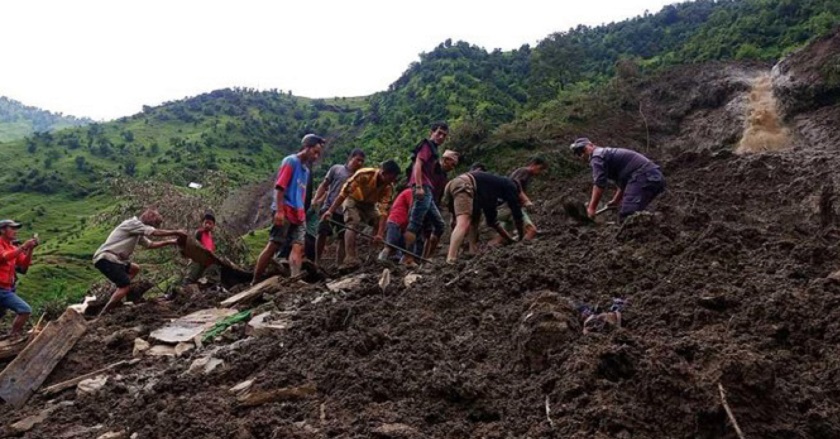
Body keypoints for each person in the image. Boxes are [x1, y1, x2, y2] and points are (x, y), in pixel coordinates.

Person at [253, 134, 324, 283]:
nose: (316, 156)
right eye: (315, 152)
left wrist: (303, 213)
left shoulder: (306, 171)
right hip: (285, 210)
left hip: (299, 214)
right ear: (306, 147)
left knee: (298, 246)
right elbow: (279, 188)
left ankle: (295, 279)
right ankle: (255, 279)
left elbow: (302, 195)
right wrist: (279, 211)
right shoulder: (290, 161)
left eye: (318, 153)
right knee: (274, 245)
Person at [94, 209, 186, 315]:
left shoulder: (137, 231)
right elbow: (154, 233)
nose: (155, 226)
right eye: (155, 223)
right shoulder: (133, 223)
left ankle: (119, 293)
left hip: (115, 260)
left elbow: (150, 244)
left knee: (135, 268)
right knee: (125, 286)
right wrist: (176, 232)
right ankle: (105, 311)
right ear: (149, 216)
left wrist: (171, 241)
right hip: (107, 257)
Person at [322, 160, 399, 268]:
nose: (393, 181)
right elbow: (344, 193)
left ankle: (372, 256)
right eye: (391, 178)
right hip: (353, 199)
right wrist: (330, 211)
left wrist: (380, 234)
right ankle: (350, 258)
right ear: (384, 173)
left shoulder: (388, 187)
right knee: (353, 222)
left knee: (378, 222)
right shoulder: (364, 174)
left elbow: (384, 211)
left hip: (369, 205)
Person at [570, 138, 666, 221]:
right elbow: (624, 183)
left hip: (645, 176)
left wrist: (591, 209)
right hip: (652, 177)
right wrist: (615, 200)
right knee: (635, 214)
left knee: (628, 214)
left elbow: (599, 184)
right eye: (579, 154)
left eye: (583, 149)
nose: (582, 154)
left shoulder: (596, 156)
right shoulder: (606, 155)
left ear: (591, 145)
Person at [443, 171, 525, 264]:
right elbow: (517, 213)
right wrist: (521, 237)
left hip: (454, 184)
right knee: (463, 222)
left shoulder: (493, 186)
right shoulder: (510, 186)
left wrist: (510, 240)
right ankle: (451, 259)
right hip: (464, 186)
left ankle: (472, 250)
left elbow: (492, 221)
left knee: (474, 219)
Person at [402, 122, 449, 267]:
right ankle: (408, 259)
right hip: (422, 187)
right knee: (415, 223)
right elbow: (418, 164)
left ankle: (426, 259)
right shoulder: (427, 145)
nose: (441, 137)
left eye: (444, 135)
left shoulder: (434, 150)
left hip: (428, 189)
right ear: (432, 132)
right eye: (439, 133)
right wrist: (419, 186)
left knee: (440, 225)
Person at [312, 148, 366, 264]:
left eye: (362, 161)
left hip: (346, 211)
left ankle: (339, 265)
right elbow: (324, 184)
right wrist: (316, 199)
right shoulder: (337, 169)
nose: (360, 163)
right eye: (358, 160)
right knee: (322, 232)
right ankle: (317, 261)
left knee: (342, 239)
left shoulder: (360, 177)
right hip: (329, 206)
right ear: (351, 158)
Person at [495, 157, 549, 242]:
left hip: (503, 208)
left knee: (502, 237)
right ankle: (522, 247)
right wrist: (527, 201)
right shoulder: (525, 171)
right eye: (540, 169)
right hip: (510, 207)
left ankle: (491, 245)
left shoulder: (524, 173)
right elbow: (516, 187)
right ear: (533, 165)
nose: (540, 172)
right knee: (532, 231)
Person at [419, 149, 459, 259]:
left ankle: (426, 257)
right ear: (445, 160)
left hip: (433, 204)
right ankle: (411, 258)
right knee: (419, 231)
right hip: (422, 201)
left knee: (433, 230)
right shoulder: (432, 168)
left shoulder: (444, 177)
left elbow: (441, 195)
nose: (453, 167)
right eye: (452, 164)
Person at [0, 220, 37, 337]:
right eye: (12, 228)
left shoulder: (13, 247)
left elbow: (24, 264)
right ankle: (13, 336)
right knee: (25, 309)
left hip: (7, 288)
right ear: (2, 230)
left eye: (16, 229)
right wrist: (24, 246)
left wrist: (30, 249)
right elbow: (5, 257)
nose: (15, 231)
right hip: (1, 289)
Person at [183, 212, 217, 286]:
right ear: (202, 223)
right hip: (196, 261)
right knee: (190, 279)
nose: (207, 225)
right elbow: (192, 245)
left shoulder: (211, 237)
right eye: (206, 223)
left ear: (213, 226)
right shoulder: (199, 232)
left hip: (206, 263)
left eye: (210, 223)